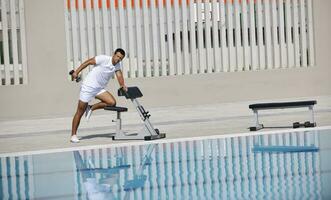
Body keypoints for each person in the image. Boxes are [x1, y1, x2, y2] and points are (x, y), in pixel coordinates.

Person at [70, 48, 127, 143]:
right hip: (88, 87)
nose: (118, 59)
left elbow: (119, 75)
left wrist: (122, 85)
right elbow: (87, 62)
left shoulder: (117, 65)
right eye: (117, 56)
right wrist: (76, 72)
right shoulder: (103, 59)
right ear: (114, 54)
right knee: (80, 111)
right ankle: (73, 135)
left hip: (99, 89)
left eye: (120, 58)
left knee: (112, 102)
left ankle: (91, 108)